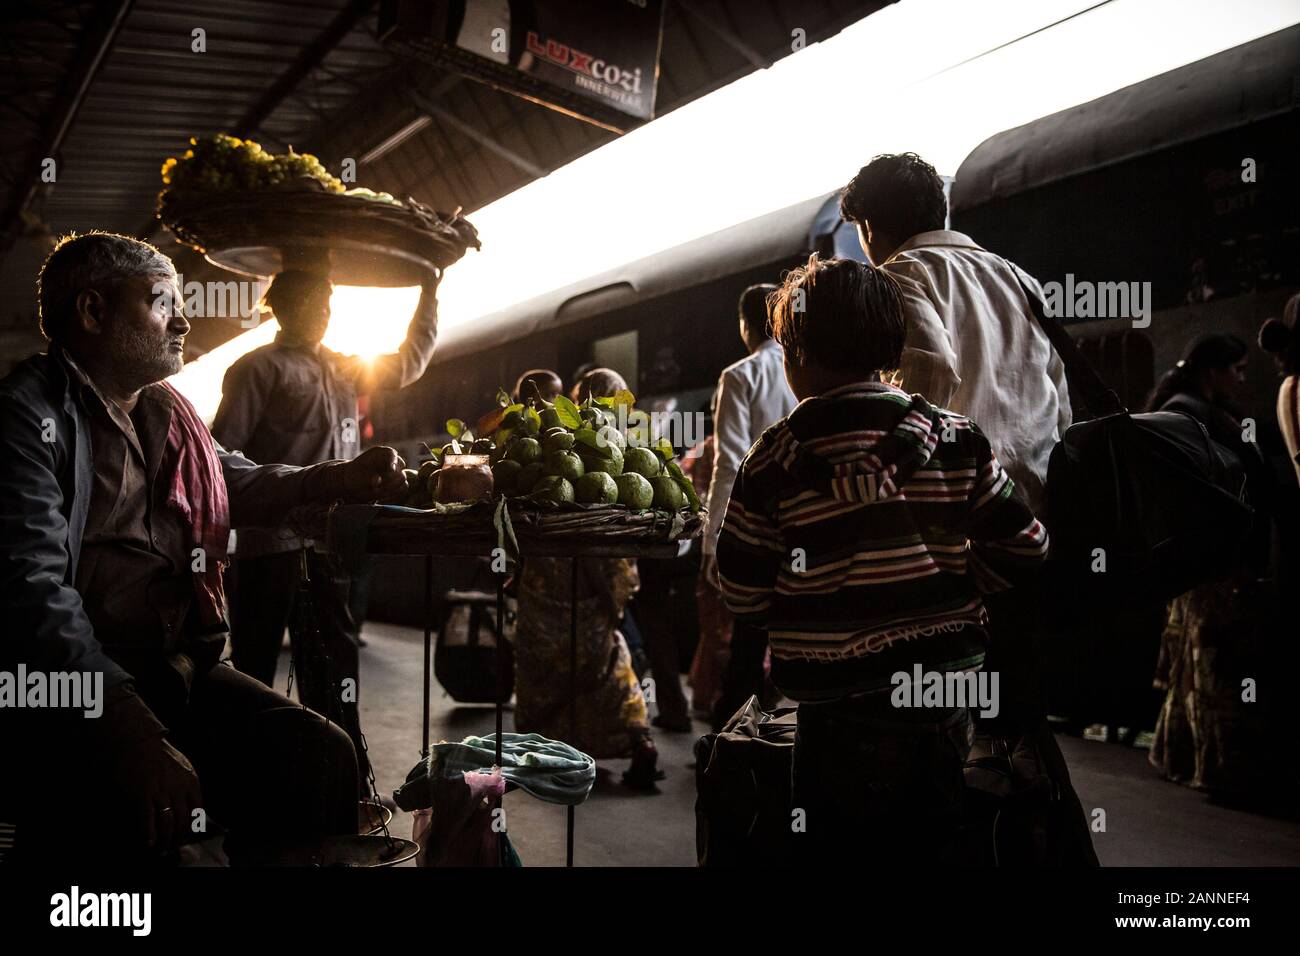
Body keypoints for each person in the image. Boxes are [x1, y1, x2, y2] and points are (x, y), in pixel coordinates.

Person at [0, 232, 409, 863]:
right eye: (163, 303)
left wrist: (338, 478)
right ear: (92, 312)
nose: (184, 320)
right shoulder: (27, 416)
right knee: (132, 818)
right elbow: (32, 590)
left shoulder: (165, 412)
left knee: (324, 756)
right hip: (83, 684)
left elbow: (235, 477)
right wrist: (125, 723)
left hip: (181, 666)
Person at [716, 254, 1049, 861]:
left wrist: (805, 603)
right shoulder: (957, 439)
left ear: (798, 357)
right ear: (892, 348)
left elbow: (740, 590)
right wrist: (961, 582)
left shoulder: (769, 463)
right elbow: (1027, 547)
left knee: (834, 851)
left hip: (832, 708)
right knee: (932, 846)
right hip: (939, 698)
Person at [841, 151, 1071, 732]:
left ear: (871, 225)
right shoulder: (1017, 277)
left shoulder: (903, 272)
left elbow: (932, 369)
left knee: (945, 699)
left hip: (956, 521)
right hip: (1028, 518)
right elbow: (1060, 399)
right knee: (1014, 699)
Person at [211, 267, 440, 797]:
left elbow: (407, 362)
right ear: (283, 307)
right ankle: (248, 789)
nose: (323, 311)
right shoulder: (255, 370)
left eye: (328, 302)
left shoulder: (342, 368)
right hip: (270, 544)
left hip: (331, 543)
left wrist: (429, 291)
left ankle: (343, 783)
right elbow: (222, 455)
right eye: (314, 301)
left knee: (335, 667)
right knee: (254, 668)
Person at [1145, 334, 1283, 799]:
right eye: (1236, 369)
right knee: (1212, 668)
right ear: (1212, 371)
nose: (1242, 378)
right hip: (1211, 560)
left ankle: (1182, 756)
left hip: (1205, 557)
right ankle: (1214, 766)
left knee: (1198, 662)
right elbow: (1199, 491)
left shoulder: (1195, 408)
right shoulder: (1190, 412)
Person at [511, 368, 662, 788]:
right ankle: (638, 740)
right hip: (590, 588)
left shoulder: (554, 442)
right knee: (611, 667)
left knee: (544, 673)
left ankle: (545, 754)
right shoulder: (623, 446)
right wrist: (616, 595)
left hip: (546, 587)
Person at [702, 282, 796, 728]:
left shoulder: (741, 375)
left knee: (748, 639)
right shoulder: (808, 365)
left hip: (759, 530)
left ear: (744, 325)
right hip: (807, 526)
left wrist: (712, 541)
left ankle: (737, 732)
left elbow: (730, 463)